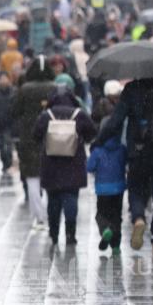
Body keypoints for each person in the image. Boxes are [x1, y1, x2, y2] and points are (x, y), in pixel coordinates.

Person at [94, 75, 153, 253]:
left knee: (136, 188)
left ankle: (139, 217)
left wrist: (99, 140)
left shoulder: (132, 89)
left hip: (139, 150)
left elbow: (115, 122)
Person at [33, 86, 97, 246]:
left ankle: (53, 234)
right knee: (71, 198)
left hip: (51, 165)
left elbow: (35, 135)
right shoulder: (79, 115)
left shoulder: (46, 116)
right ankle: (70, 234)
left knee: (53, 200)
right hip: (73, 164)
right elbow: (92, 133)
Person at [14, 55, 59, 228]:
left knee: (32, 177)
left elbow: (14, 110)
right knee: (51, 176)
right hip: (52, 136)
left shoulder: (24, 89)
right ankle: (51, 211)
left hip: (29, 137)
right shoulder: (55, 88)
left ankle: (38, 215)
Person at [87, 113, 128, 256]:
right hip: (118, 188)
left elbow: (89, 167)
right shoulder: (122, 149)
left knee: (101, 214)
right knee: (117, 217)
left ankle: (105, 230)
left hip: (103, 189)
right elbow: (126, 163)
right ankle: (116, 246)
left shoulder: (98, 150)